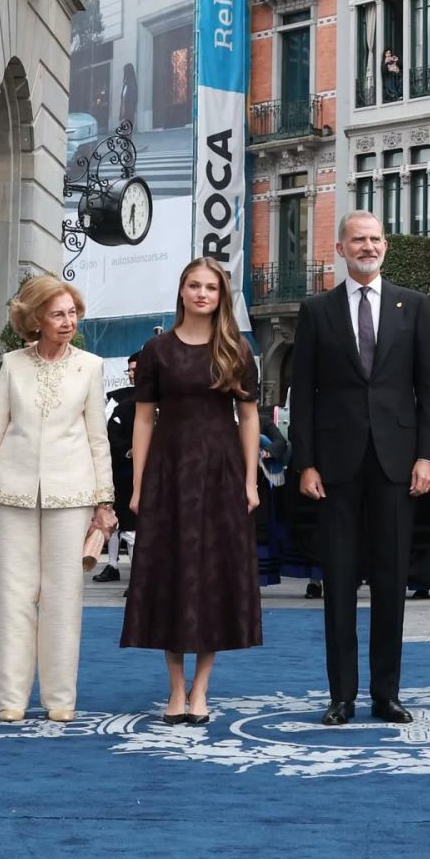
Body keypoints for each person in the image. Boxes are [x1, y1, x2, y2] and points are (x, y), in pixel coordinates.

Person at [290, 210, 430, 726]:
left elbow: (429, 390)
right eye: (359, 239)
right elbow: (302, 396)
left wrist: (426, 455)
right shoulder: (316, 311)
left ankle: (386, 694)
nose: (368, 246)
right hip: (334, 467)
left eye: (376, 239)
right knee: (338, 583)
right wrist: (304, 462)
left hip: (398, 464)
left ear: (386, 248)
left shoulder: (414, 306)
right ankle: (342, 697)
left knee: (391, 580)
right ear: (340, 248)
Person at [121, 258, 261, 725]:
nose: (202, 294)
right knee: (171, 575)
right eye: (194, 285)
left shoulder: (236, 349)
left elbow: (250, 418)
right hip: (169, 471)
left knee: (213, 578)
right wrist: (139, 483)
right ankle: (175, 689)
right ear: (181, 291)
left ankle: (201, 689)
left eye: (212, 288)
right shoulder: (156, 350)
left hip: (221, 472)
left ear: (221, 296)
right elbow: (143, 419)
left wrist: (249, 481)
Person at [0, 276, 116, 723]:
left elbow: (98, 439)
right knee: (12, 597)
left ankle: (59, 700)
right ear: (35, 319)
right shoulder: (12, 365)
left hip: (71, 495)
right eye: (57, 313)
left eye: (73, 312)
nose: (68, 321)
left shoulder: (90, 367)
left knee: (63, 597)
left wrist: (104, 502)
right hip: (11, 492)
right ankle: (11, 699)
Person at [95, 352, 141, 588]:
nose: (132, 374)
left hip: (161, 476)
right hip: (125, 474)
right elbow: (110, 436)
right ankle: (115, 567)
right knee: (121, 522)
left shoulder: (168, 401)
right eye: (130, 370)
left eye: (136, 369)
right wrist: (130, 451)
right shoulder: (121, 405)